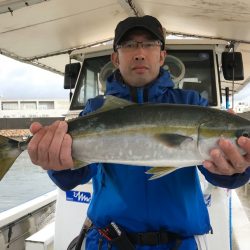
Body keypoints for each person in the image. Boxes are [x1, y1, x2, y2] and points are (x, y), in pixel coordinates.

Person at [28, 15, 250, 250]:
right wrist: (56, 164)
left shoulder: (190, 103)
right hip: (109, 241)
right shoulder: (97, 109)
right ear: (116, 57)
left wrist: (236, 169)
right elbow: (76, 174)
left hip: (177, 244)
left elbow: (217, 172)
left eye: (149, 44)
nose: (140, 53)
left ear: (162, 55)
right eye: (130, 45)